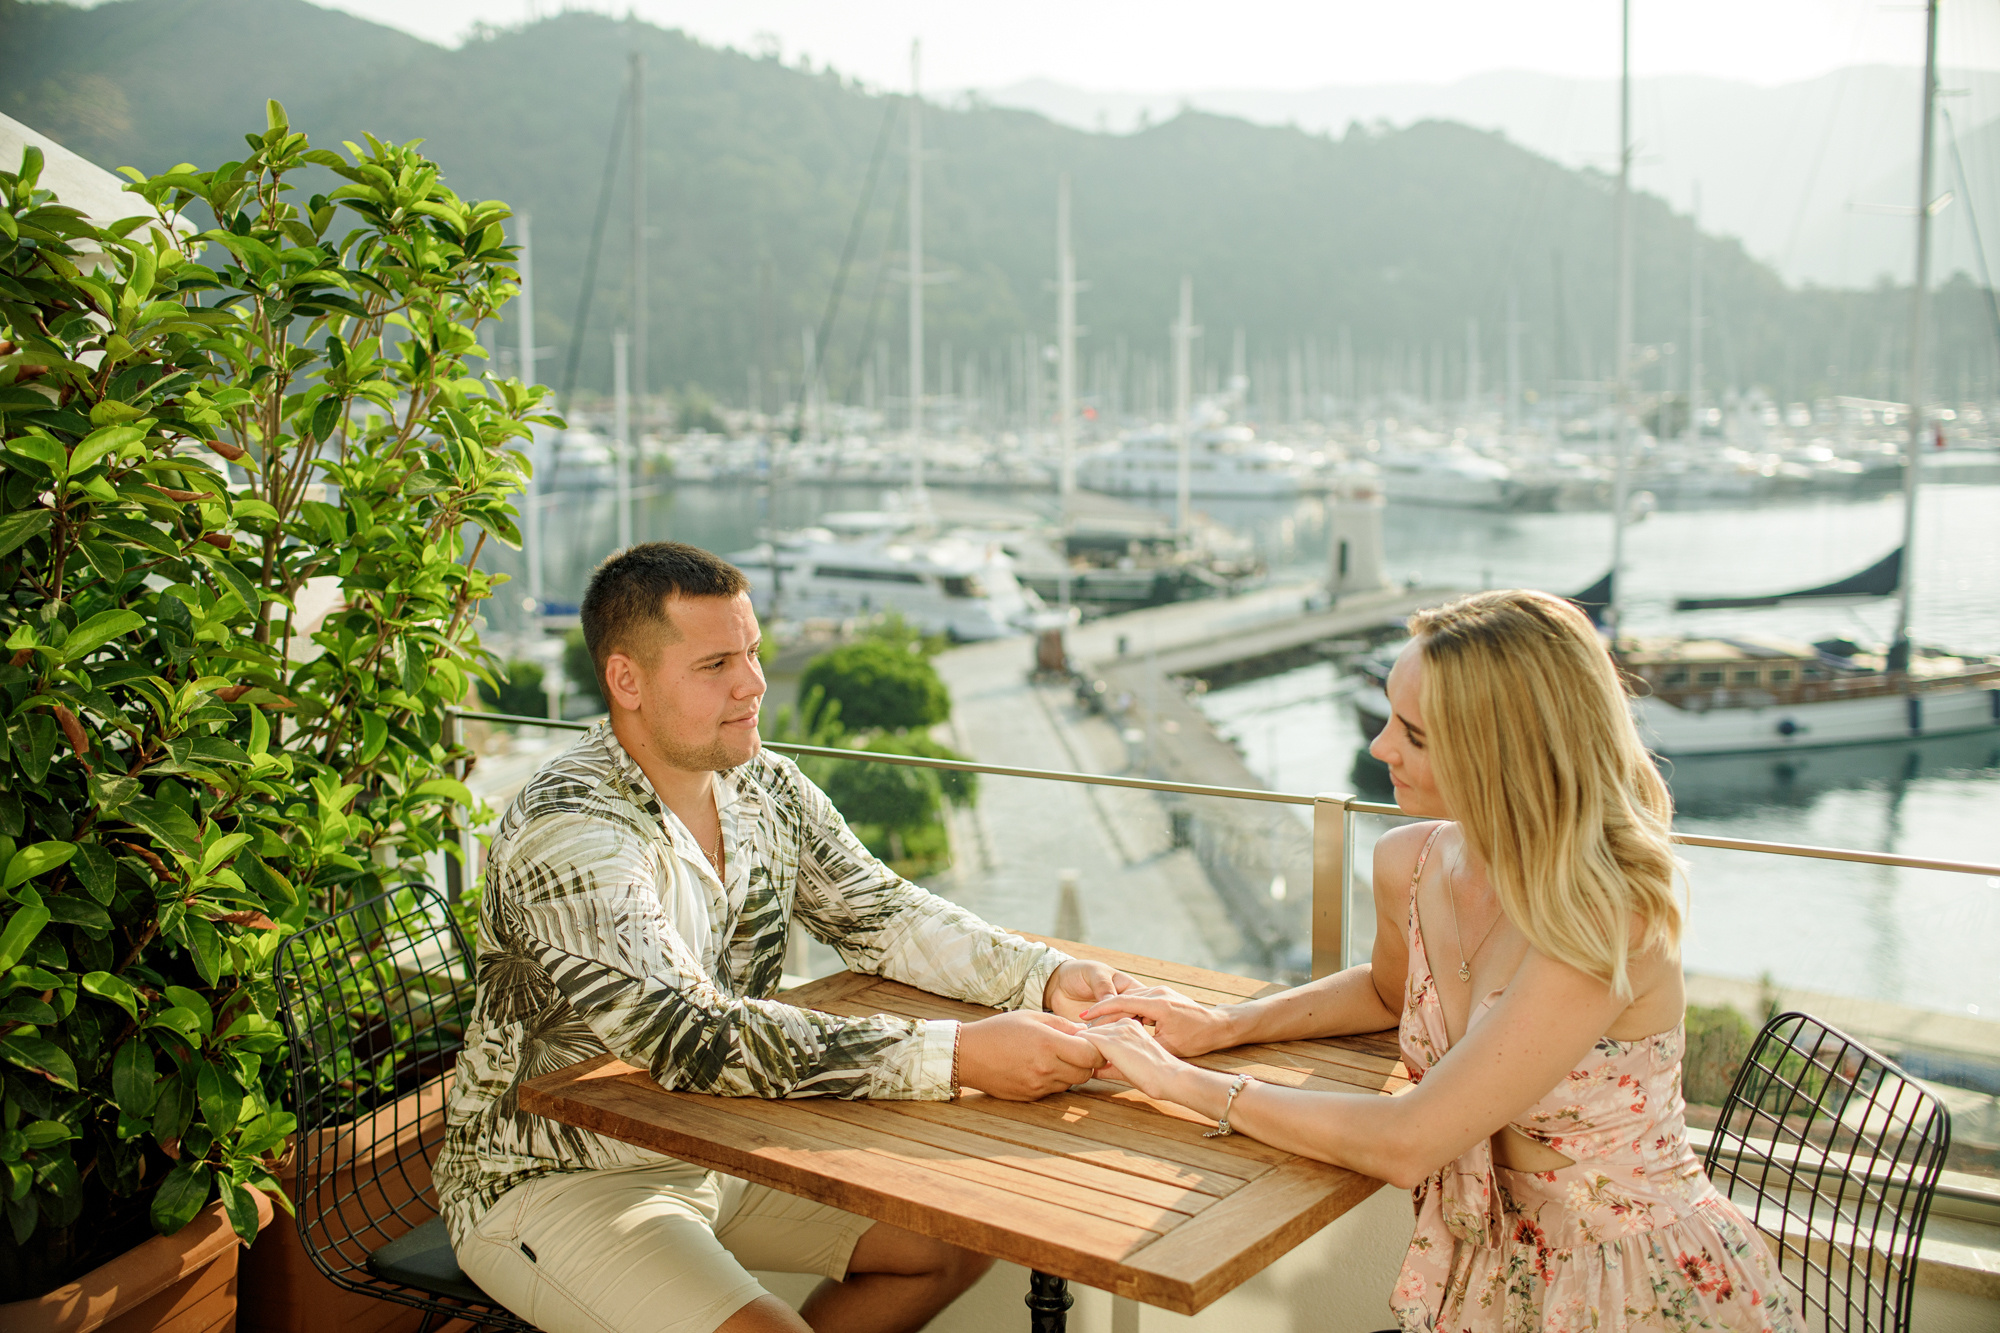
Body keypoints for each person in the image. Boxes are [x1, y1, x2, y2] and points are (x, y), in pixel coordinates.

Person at [437, 541, 1136, 1333]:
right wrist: (961, 1055)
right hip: (557, 1175)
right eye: (716, 665)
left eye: (754, 652)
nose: (755, 685)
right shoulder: (571, 832)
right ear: (626, 680)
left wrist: (1046, 975)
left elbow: (882, 914)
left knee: (952, 1241)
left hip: (717, 1143)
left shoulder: (761, 783)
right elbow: (689, 1037)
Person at [1078, 589, 1798, 1333]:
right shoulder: (1411, 862)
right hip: (1494, 1274)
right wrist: (1223, 1024)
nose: (1379, 747)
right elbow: (1392, 993)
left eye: (1414, 734)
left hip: (1633, 1287)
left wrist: (1181, 1082)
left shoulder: (1610, 914)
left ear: (1506, 752)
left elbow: (1407, 1141)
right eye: (1391, 716)